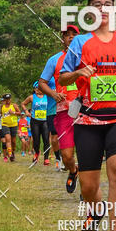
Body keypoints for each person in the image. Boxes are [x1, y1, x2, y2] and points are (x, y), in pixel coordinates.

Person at [59, 0, 116, 231]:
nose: (103, 8)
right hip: (88, 121)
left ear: (114, 9)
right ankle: (97, 209)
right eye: (97, 4)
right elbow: (63, 79)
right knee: (89, 187)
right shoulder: (80, 43)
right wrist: (79, 71)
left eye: (107, 4)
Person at [38, 24, 80, 192]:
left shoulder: (86, 57)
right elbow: (42, 83)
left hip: (85, 111)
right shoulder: (54, 60)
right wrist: (54, 94)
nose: (70, 37)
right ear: (62, 39)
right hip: (63, 112)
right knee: (67, 155)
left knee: (86, 151)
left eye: (73, 35)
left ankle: (87, 190)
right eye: (67, 35)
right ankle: (73, 170)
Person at [22, 83, 51, 165]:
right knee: (36, 140)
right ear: (34, 89)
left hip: (45, 120)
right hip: (35, 121)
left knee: (46, 139)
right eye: (36, 88)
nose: (38, 90)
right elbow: (23, 104)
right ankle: (36, 154)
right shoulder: (32, 97)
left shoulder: (47, 96)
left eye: (40, 88)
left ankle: (46, 158)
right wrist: (26, 112)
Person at [0, 94, 20, 161]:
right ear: (4, 100)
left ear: (11, 99)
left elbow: (20, 113)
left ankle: (12, 152)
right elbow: (1, 114)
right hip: (5, 124)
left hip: (13, 125)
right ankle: (10, 154)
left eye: (9, 99)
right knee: (8, 139)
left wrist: (13, 112)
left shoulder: (14, 105)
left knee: (13, 142)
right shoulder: (2, 106)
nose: (8, 100)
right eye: (6, 99)